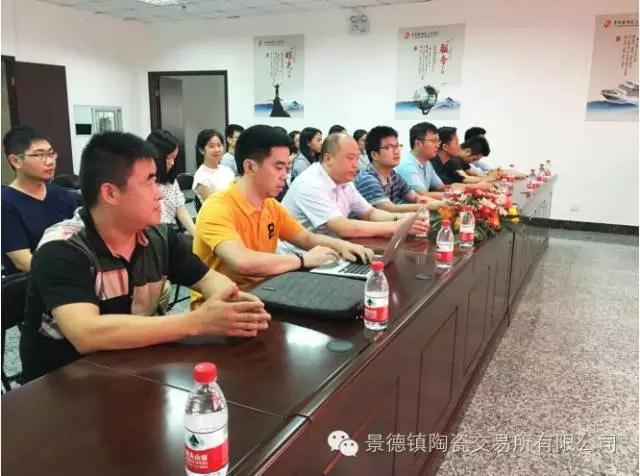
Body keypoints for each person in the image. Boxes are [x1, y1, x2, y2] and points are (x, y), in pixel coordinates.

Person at [20, 132, 270, 382]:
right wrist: (196, 322)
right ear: (110, 193)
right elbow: (86, 334)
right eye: (149, 182)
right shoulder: (62, 248)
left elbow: (209, 280)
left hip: (134, 368)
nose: (159, 193)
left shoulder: (158, 237)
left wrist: (232, 303)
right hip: (65, 384)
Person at [191, 125, 373, 296]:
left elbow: (306, 238)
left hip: (265, 291)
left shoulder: (270, 205)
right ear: (250, 167)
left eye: (286, 168)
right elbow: (242, 262)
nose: (284, 176)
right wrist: (303, 260)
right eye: (278, 167)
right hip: (223, 305)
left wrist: (343, 246)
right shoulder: (217, 207)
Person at [282, 133, 429, 239]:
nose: (356, 165)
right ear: (328, 158)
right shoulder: (311, 183)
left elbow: (369, 213)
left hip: (330, 251)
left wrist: (403, 217)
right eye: (350, 158)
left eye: (357, 158)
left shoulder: (344, 181)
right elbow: (343, 228)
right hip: (298, 259)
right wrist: (398, 226)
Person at [1, 126, 77, 275]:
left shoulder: (64, 195)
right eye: (39, 155)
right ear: (16, 161)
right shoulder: (5, 203)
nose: (50, 161)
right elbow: (23, 261)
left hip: (71, 275)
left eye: (51, 154)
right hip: (31, 282)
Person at [355, 126, 444, 213]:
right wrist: (432, 205)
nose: (397, 151)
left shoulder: (393, 176)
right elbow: (389, 209)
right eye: (389, 147)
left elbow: (415, 197)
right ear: (374, 155)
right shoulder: (368, 179)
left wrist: (443, 203)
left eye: (397, 146)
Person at [146, 130, 195, 235]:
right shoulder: (141, 182)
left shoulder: (170, 181)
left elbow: (181, 211)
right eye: (168, 158)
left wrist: (197, 235)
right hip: (150, 235)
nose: (172, 163)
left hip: (169, 232)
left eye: (174, 158)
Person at [394, 122, 446, 199]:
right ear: (418, 143)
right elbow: (422, 195)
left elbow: (441, 187)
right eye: (433, 141)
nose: (437, 145)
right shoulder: (407, 165)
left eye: (438, 141)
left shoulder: (427, 163)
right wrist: (455, 195)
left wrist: (459, 188)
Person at [432, 127, 496, 187]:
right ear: (445, 147)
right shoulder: (433, 164)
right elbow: (444, 187)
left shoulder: (447, 162)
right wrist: (484, 182)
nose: (459, 146)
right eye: (456, 143)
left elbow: (459, 180)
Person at [192, 128, 235, 202]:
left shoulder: (227, 170)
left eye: (219, 145)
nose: (217, 150)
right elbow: (216, 204)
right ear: (201, 150)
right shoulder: (201, 178)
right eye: (211, 146)